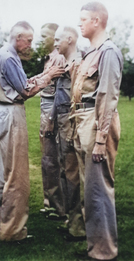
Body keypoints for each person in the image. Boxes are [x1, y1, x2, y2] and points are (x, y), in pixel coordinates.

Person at [0, 21, 65, 241]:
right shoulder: (10, 57)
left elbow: (24, 82)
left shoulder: (5, 54)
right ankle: (13, 231)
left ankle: (2, 225)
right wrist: (49, 76)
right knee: (17, 176)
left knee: (6, 173)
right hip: (11, 114)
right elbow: (26, 90)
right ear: (18, 37)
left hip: (4, 112)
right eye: (28, 40)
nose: (30, 45)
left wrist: (47, 72)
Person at [69, 2, 123, 260]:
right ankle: (96, 247)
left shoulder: (108, 52)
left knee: (98, 190)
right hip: (83, 118)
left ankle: (104, 252)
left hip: (97, 120)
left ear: (97, 21)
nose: (79, 24)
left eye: (83, 19)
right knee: (89, 190)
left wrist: (101, 138)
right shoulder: (90, 52)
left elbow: (108, 97)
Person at [47, 26, 86, 240]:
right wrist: (51, 120)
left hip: (71, 121)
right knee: (64, 170)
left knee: (72, 174)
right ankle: (70, 221)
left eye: (58, 39)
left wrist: (71, 125)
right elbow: (58, 97)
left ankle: (78, 227)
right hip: (61, 121)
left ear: (70, 39)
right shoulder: (64, 64)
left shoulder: (78, 64)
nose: (54, 43)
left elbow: (77, 99)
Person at [39, 23, 66, 219]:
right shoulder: (48, 59)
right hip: (44, 106)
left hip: (52, 110)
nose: (41, 39)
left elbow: (60, 92)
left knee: (53, 159)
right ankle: (50, 201)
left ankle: (59, 207)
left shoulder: (59, 59)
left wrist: (50, 118)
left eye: (44, 36)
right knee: (47, 159)